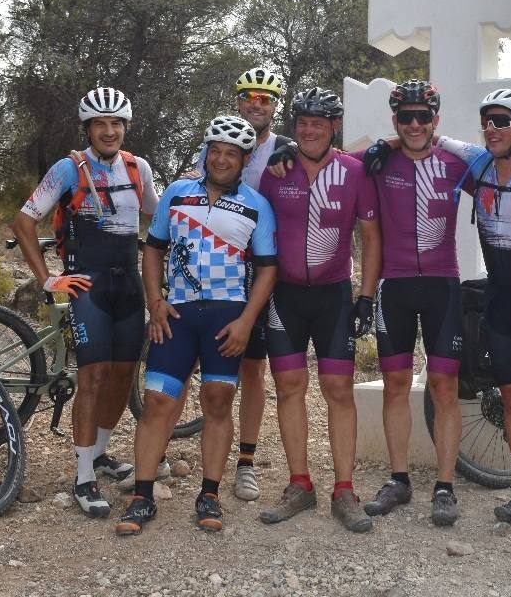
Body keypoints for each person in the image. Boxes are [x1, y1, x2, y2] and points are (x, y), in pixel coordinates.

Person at [115, 115, 277, 535]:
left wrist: (246, 321)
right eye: (216, 151)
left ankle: (209, 493)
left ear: (244, 161)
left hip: (227, 317)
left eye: (232, 154)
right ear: (205, 152)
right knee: (157, 404)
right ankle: (142, 496)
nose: (222, 159)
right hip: (179, 317)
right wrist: (156, 302)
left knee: (218, 402)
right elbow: (153, 250)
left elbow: (267, 269)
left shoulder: (257, 205)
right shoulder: (176, 193)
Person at [12, 87, 157, 518]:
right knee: (92, 376)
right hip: (87, 285)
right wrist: (48, 279)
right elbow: (23, 222)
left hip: (128, 284)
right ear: (88, 129)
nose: (109, 131)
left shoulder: (139, 167)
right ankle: (82, 475)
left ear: (125, 128)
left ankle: (100, 454)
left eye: (116, 124)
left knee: (123, 373)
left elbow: (163, 213)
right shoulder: (68, 169)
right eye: (100, 124)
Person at [255, 87, 381, 532]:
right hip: (284, 296)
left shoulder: (355, 171)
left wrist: (366, 294)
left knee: (339, 389)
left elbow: (371, 235)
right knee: (288, 386)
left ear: (334, 128)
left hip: (333, 296)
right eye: (302, 122)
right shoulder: (276, 171)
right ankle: (299, 484)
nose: (309, 130)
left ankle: (345, 490)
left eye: (319, 123)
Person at [433, 88, 511, 523]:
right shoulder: (479, 163)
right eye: (487, 121)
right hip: (500, 298)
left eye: (501, 122)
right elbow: (433, 140)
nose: (490, 129)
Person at [359, 79, 469, 526]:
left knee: (445, 388)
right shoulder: (378, 165)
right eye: (406, 116)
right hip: (395, 286)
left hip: (443, 284)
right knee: (396, 385)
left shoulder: (454, 163)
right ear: (395, 121)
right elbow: (328, 163)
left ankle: (445, 486)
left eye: (424, 115)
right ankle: (399, 478)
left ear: (435, 120)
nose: (415, 123)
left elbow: (504, 159)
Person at [228, 66, 292, 501]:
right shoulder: (218, 145)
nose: (256, 102)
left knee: (253, 367)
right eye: (249, 95)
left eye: (265, 98)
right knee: (197, 359)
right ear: (238, 101)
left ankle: (246, 461)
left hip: (268, 268)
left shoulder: (287, 149)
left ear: (275, 106)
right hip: (221, 266)